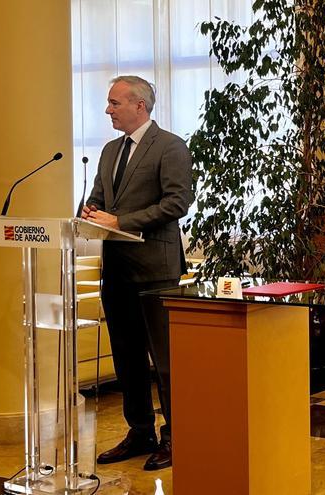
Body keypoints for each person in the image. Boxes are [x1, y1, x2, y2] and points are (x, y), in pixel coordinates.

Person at [82, 75, 193, 471]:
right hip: (116, 270)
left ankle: (176, 436)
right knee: (126, 356)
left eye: (114, 103)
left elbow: (178, 202)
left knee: (164, 361)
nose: (107, 110)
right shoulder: (110, 151)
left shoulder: (170, 146)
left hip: (155, 270)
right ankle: (140, 431)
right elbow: (98, 198)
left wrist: (121, 220)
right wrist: (90, 213)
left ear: (139, 106)